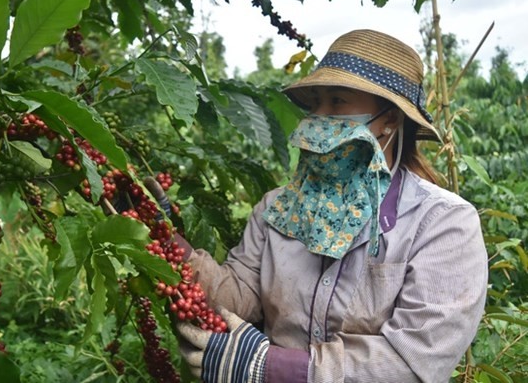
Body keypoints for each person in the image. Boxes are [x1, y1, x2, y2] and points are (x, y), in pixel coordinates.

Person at [174, 29, 488, 383]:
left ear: (390, 120)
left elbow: (413, 361)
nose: (318, 116)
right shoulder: (277, 209)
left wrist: (273, 368)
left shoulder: (442, 224)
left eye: (337, 101)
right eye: (315, 104)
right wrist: (173, 249)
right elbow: (240, 296)